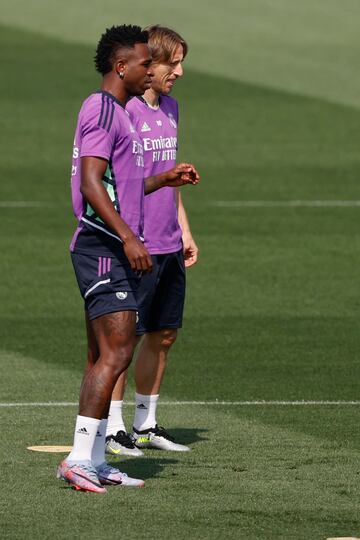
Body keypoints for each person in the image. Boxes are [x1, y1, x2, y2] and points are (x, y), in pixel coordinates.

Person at [57, 24, 199, 493]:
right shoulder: (100, 108)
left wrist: (163, 181)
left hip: (114, 246)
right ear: (122, 66)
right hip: (103, 248)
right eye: (144, 63)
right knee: (116, 350)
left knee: (104, 353)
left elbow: (122, 183)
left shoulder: (117, 114)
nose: (151, 71)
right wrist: (129, 238)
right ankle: (79, 458)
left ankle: (94, 459)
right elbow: (92, 184)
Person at [105, 25, 198, 457]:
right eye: (172, 63)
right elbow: (117, 182)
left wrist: (185, 228)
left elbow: (168, 178)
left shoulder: (172, 108)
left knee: (163, 335)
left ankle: (146, 424)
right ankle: (112, 428)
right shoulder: (122, 112)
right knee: (124, 337)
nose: (178, 71)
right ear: (149, 63)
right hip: (134, 243)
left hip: (168, 241)